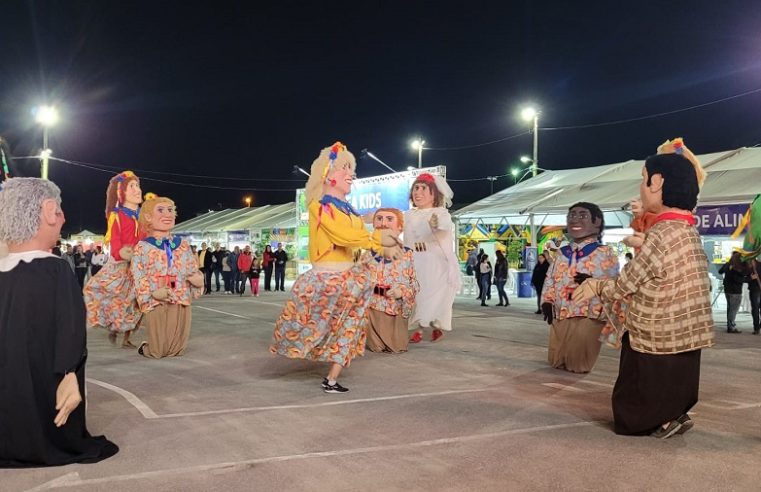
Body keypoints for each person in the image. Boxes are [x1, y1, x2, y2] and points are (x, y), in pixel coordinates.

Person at [573, 139, 714, 438]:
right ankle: (676, 413)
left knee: (642, 383)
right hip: (688, 327)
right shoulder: (688, 229)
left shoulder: (662, 232)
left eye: (643, 179)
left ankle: (657, 420)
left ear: (657, 183)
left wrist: (596, 285)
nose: (640, 188)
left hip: (657, 327)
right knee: (679, 377)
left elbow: (629, 281)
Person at [0, 177, 118, 467]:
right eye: (60, 210)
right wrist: (68, 374)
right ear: (49, 211)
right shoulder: (55, 269)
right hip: (47, 375)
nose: (63, 217)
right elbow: (70, 325)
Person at [270, 142, 402, 393]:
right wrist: (377, 239)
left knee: (350, 329)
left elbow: (360, 240)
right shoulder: (319, 206)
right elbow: (342, 236)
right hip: (326, 280)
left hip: (350, 279)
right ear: (327, 175)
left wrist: (385, 245)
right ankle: (304, 351)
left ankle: (331, 378)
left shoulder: (351, 211)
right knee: (313, 329)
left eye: (352, 168)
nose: (351, 173)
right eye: (345, 168)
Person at [541, 202, 620, 373]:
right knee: (557, 359)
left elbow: (613, 282)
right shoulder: (562, 253)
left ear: (597, 221)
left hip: (588, 313)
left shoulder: (605, 253)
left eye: (582, 215)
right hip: (562, 311)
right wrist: (547, 301)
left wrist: (594, 281)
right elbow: (550, 279)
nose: (575, 220)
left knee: (578, 361)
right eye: (571, 216)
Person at [132, 194, 204, 358]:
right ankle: (146, 348)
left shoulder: (182, 245)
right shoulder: (143, 247)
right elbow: (138, 275)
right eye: (161, 210)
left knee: (177, 345)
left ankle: (173, 348)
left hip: (180, 295)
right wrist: (151, 292)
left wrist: (198, 280)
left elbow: (193, 269)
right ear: (148, 217)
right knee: (159, 349)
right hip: (157, 296)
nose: (168, 214)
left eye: (170, 210)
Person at [83, 171, 144, 349]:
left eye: (138, 186)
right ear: (121, 192)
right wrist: (122, 253)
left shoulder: (142, 216)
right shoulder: (117, 215)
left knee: (138, 304)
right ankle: (113, 327)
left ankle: (126, 337)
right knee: (115, 299)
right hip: (121, 265)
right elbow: (115, 242)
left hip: (138, 266)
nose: (137, 190)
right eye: (132, 186)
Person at [405, 173, 461, 343]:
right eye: (416, 188)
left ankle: (433, 326)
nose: (418, 192)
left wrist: (435, 225)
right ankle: (420, 328)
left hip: (434, 261)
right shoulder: (407, 214)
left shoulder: (440, 213)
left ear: (434, 194)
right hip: (413, 261)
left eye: (423, 188)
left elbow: (443, 228)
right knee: (416, 296)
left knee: (432, 296)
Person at [365, 208, 419, 353]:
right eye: (379, 218)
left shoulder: (407, 254)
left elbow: (414, 284)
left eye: (390, 219)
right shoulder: (365, 253)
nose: (383, 223)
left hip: (395, 310)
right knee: (375, 347)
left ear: (400, 227)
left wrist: (401, 292)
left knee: (397, 346)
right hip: (372, 309)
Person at [719, 252, 748, 333]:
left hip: (727, 290)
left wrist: (727, 267)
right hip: (735, 291)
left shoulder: (728, 264)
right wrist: (749, 279)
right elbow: (738, 279)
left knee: (730, 308)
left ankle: (729, 325)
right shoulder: (737, 267)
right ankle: (731, 327)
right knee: (733, 310)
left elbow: (720, 271)